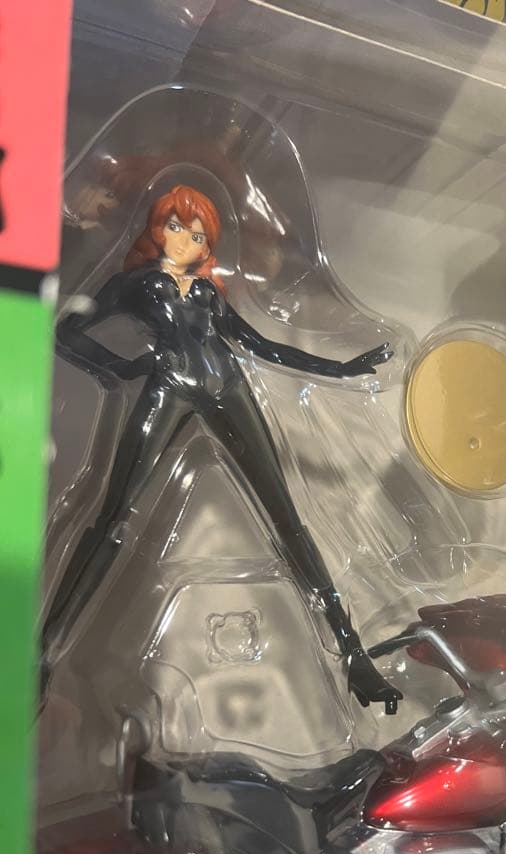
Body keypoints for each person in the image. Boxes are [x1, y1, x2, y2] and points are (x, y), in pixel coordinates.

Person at [43, 184, 402, 714]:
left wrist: (340, 369)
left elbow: (260, 345)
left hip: (228, 386)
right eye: (175, 227)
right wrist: (125, 367)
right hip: (170, 387)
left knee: (286, 516)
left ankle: (352, 654)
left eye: (197, 235)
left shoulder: (209, 294)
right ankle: (42, 656)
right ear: (156, 229)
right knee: (112, 516)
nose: (185, 241)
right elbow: (68, 332)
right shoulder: (134, 284)